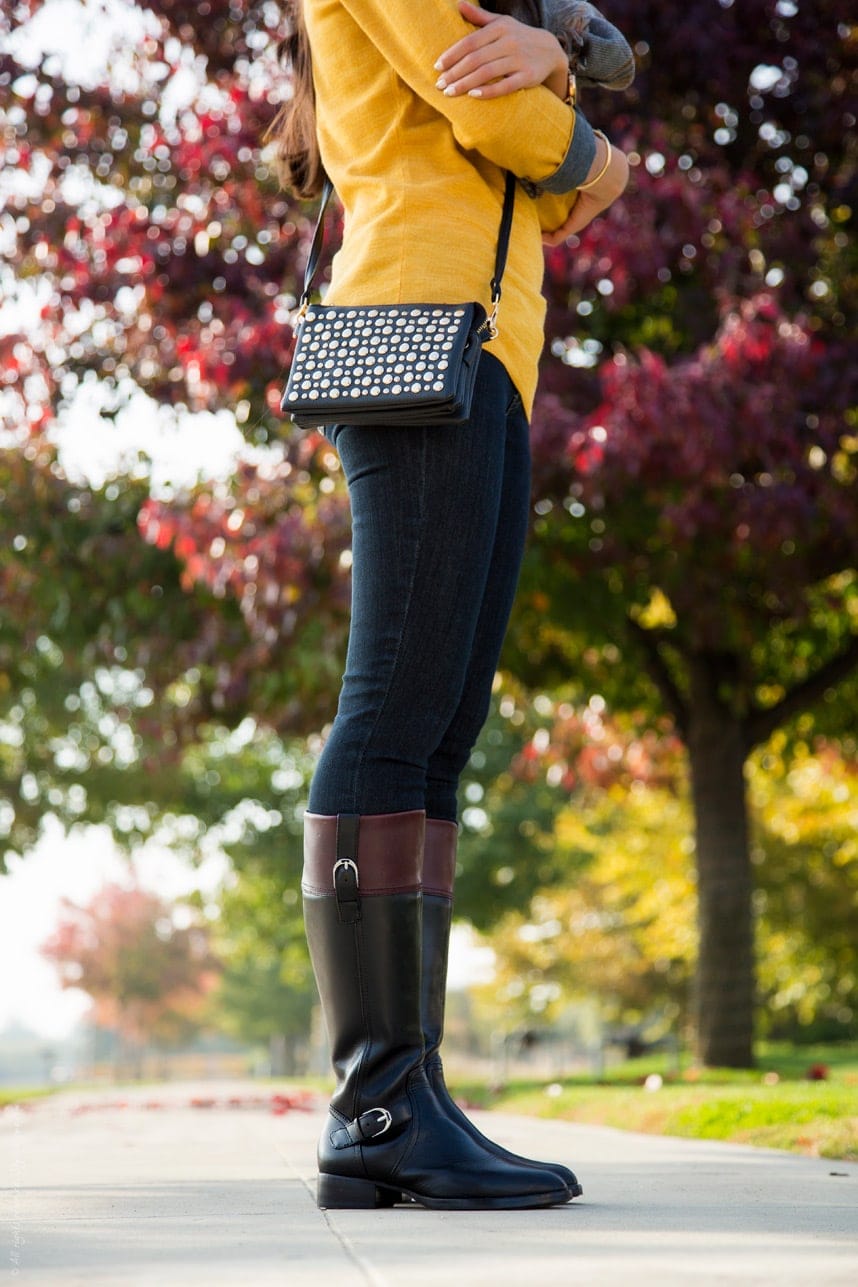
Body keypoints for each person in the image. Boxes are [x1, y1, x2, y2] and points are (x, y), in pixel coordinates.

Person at [265, 0, 630, 1211]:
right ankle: (375, 1105)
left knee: (441, 726)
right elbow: (505, 121)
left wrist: (558, 58)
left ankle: (407, 1098)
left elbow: (547, 148)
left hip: (487, 351)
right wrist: (585, 124)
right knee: (394, 709)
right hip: (416, 328)